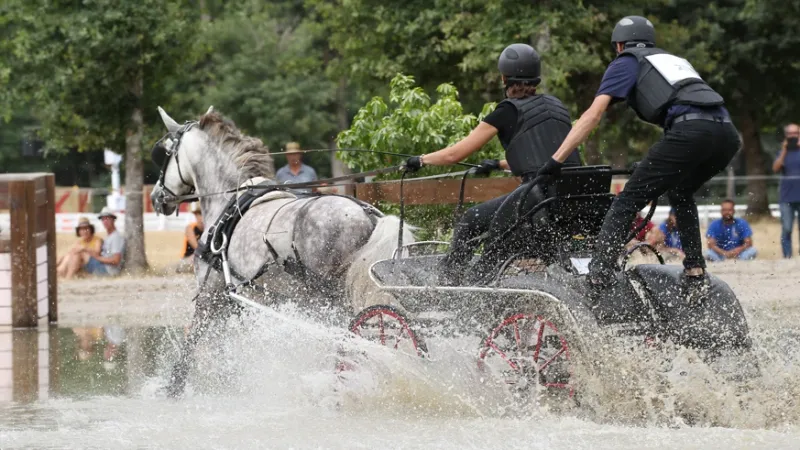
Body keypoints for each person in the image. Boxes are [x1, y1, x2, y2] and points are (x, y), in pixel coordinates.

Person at [537, 15, 741, 302]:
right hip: (728, 135)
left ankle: (598, 275)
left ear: (619, 45)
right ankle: (695, 273)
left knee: (627, 200)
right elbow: (692, 108)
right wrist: (658, 165)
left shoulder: (627, 61)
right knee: (681, 190)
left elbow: (593, 115)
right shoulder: (672, 61)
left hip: (689, 131)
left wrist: (555, 161)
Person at [404, 43, 582, 284]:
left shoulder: (507, 111)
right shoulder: (556, 105)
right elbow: (548, 157)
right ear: (536, 77)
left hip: (537, 198)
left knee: (472, 218)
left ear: (504, 78)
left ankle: (448, 282)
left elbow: (453, 155)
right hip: (570, 197)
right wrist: (499, 164)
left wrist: (421, 160)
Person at [773, 123, 800, 258]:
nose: (793, 136)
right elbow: (776, 168)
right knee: (787, 228)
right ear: (786, 136)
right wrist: (784, 150)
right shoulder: (781, 152)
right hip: (786, 197)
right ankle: (787, 256)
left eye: (796, 133)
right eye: (790, 134)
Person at [81, 207, 126, 276]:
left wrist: (98, 258)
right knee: (77, 254)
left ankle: (67, 276)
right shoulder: (109, 236)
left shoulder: (116, 237)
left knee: (81, 255)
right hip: (103, 266)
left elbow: (116, 260)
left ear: (113, 220)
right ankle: (63, 274)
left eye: (107, 218)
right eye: (103, 219)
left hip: (108, 270)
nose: (105, 221)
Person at [175, 202, 204, 273]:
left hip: (201, 258)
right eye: (199, 214)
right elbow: (197, 247)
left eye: (202, 214)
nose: (201, 217)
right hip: (188, 258)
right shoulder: (190, 228)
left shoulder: (209, 229)